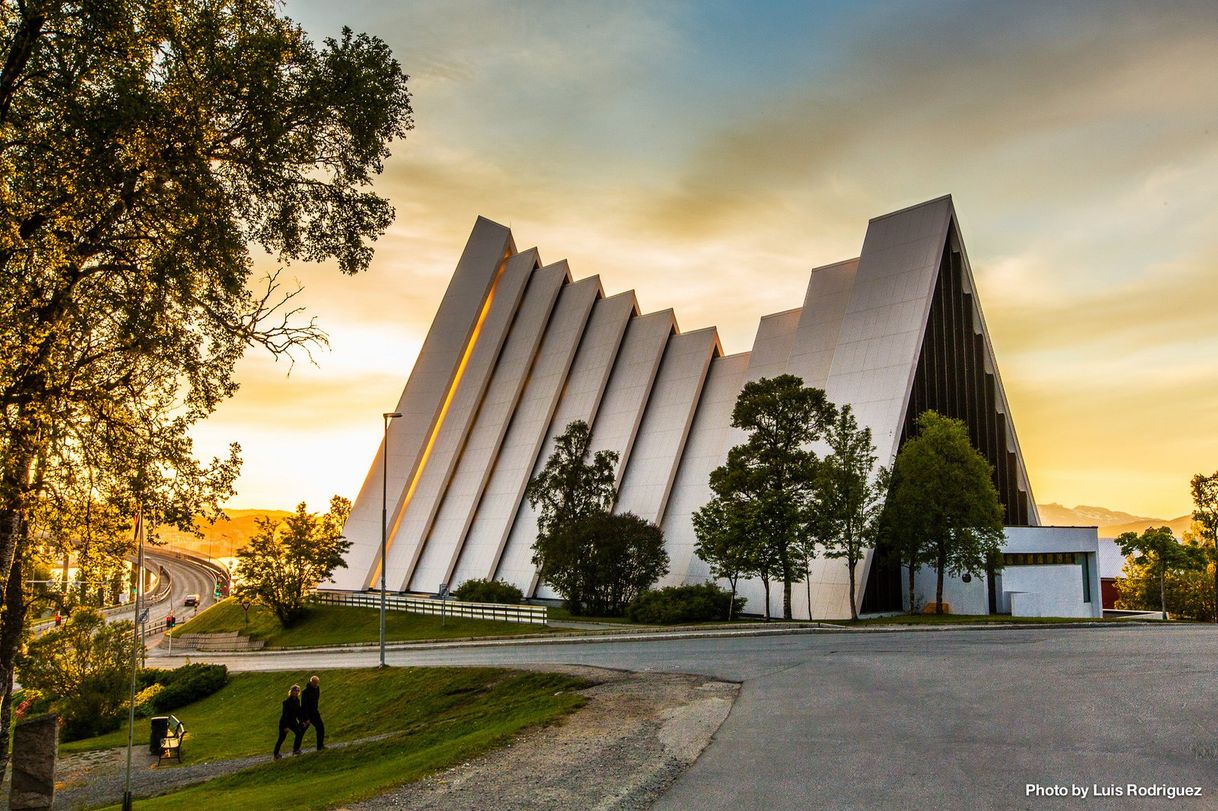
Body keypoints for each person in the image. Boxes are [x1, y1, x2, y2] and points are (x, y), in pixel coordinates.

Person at [274, 684, 305, 759]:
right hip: (285, 721)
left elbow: (298, 712)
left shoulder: (297, 700)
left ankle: (296, 749)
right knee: (281, 738)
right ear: (291, 691)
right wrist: (285, 726)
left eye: (298, 691)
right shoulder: (286, 702)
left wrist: (302, 721)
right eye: (295, 690)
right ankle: (276, 754)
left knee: (299, 732)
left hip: (293, 721)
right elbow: (285, 715)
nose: (296, 692)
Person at [301, 674, 325, 751]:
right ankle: (296, 748)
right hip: (307, 714)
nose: (316, 685)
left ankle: (320, 746)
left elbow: (316, 700)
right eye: (315, 683)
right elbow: (304, 706)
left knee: (320, 727)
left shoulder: (317, 689)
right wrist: (306, 718)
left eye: (317, 683)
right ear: (311, 682)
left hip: (315, 712)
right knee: (301, 731)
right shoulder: (305, 692)